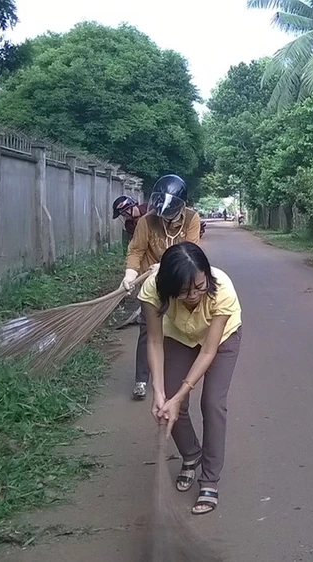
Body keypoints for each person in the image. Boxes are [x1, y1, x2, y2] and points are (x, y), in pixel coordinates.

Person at [140, 241, 242, 515]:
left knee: (212, 403)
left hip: (220, 340)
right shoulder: (152, 289)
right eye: (184, 291)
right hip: (179, 336)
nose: (194, 294)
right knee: (170, 405)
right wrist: (159, 392)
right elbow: (154, 340)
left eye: (200, 286)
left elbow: (209, 350)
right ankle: (191, 453)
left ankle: (209, 479)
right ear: (169, 288)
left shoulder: (222, 289)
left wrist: (182, 392)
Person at [121, 174, 202, 400]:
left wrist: (167, 265)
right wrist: (130, 273)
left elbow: (191, 250)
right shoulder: (147, 220)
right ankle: (141, 380)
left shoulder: (192, 219)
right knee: (148, 330)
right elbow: (136, 249)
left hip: (179, 280)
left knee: (176, 329)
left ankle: (173, 377)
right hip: (150, 283)